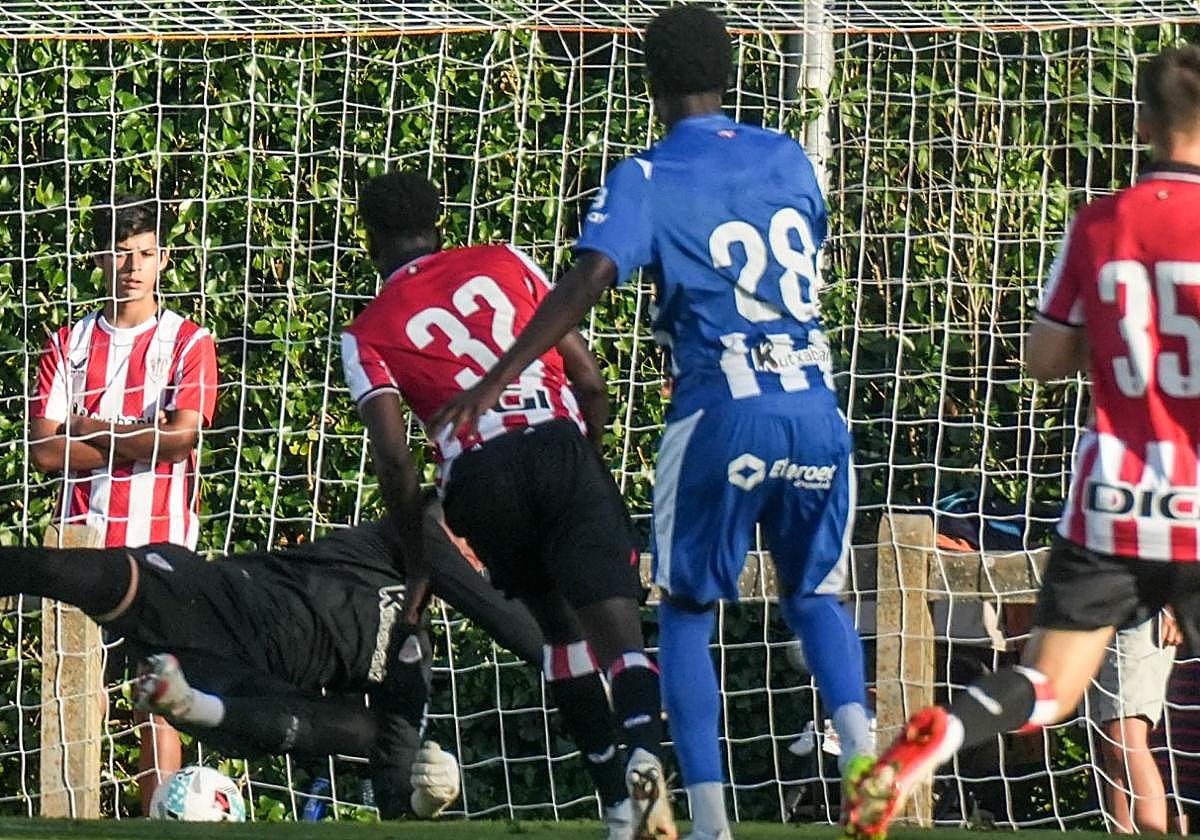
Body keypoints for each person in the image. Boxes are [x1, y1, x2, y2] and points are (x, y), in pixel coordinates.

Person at [431, 7, 871, 840]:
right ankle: (861, 753)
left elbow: (590, 276)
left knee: (686, 615)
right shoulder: (789, 157)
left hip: (719, 411)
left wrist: (500, 375)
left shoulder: (647, 175)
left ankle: (708, 823)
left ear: (648, 81)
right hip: (816, 403)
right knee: (815, 591)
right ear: (732, 72)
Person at [841, 45, 1200, 839]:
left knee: (1047, 683)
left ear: (1141, 123)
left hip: (1115, 496)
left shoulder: (1102, 224)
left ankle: (936, 736)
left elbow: (1042, 361)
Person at [341, 170, 675, 840]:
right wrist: (585, 457)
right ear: (440, 222)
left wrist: (417, 556)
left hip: (479, 475)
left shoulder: (367, 330)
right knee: (622, 642)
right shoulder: (505, 262)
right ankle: (645, 773)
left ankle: (617, 803)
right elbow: (587, 378)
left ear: (371, 240)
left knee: (560, 636)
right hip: (557, 442)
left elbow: (394, 457)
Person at [0, 502, 544, 819]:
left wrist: (428, 798)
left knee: (363, 729)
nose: (477, 553)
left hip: (235, 687)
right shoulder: (401, 536)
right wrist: (580, 669)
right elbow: (497, 611)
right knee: (63, 573)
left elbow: (393, 793)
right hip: (207, 601)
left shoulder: (413, 654)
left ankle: (188, 705)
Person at [28, 195, 218, 812]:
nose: (133, 267)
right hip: (82, 535)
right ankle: (69, 815)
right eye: (121, 252)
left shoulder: (190, 342)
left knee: (157, 697)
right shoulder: (69, 343)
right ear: (100, 259)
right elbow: (47, 454)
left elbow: (183, 436)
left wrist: (90, 427)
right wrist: (142, 436)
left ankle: (159, 815)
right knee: (74, 693)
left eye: (145, 254)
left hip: (161, 542)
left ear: (162, 260)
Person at [1088, 614, 1178, 833]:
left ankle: (1152, 834)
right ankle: (1122, 832)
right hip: (1091, 610)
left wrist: (1173, 604)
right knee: (1109, 745)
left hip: (1141, 611)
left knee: (1125, 738)